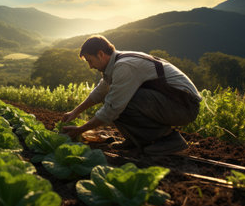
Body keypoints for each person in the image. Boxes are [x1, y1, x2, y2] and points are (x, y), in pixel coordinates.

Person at [61, 35, 201, 155]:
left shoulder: (124, 66)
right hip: (173, 102)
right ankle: (137, 140)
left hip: (184, 105)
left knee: (119, 103)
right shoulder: (115, 64)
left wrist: (80, 130)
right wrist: (75, 111)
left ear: (100, 54)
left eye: (90, 61)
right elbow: (100, 91)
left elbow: (112, 109)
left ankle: (169, 139)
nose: (90, 66)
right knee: (115, 99)